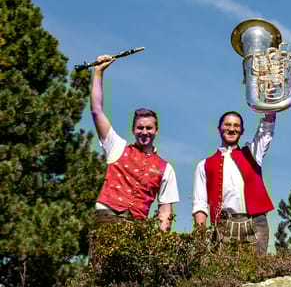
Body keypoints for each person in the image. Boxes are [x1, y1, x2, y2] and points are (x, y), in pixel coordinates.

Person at [88, 54, 179, 253]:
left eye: (148, 128)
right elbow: (96, 111)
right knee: (99, 271)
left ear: (156, 130)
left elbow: (165, 210)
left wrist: (160, 241)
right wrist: (98, 72)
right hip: (108, 216)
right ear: (133, 129)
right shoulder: (117, 146)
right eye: (140, 128)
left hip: (137, 225)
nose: (144, 132)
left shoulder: (166, 168)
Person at [191, 109, 276, 253]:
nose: (232, 129)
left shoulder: (253, 153)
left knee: (257, 270)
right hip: (223, 225)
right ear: (219, 129)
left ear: (242, 130)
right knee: (223, 271)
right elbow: (200, 204)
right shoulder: (203, 165)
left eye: (236, 126)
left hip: (255, 223)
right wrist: (200, 239)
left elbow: (265, 132)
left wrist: (270, 107)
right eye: (228, 125)